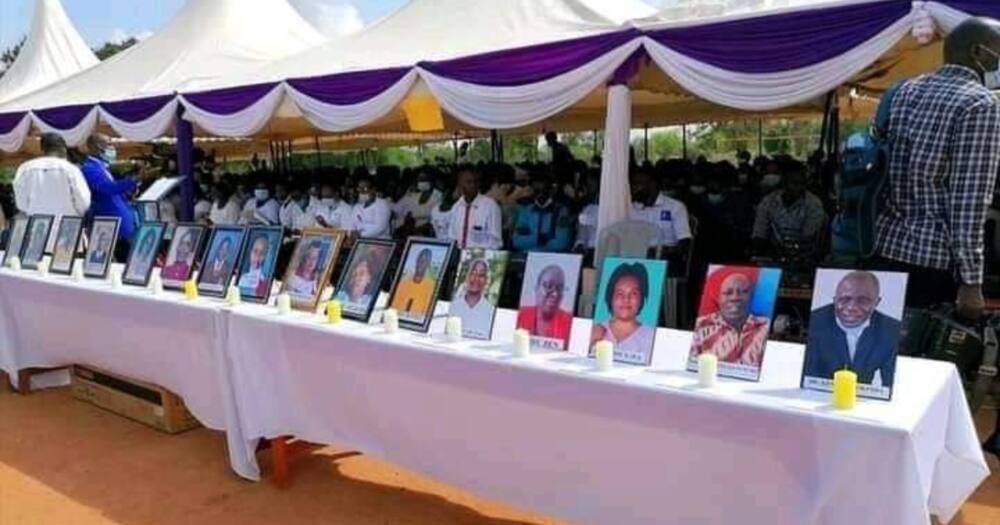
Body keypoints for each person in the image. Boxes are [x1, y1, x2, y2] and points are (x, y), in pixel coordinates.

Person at [874, 17, 1000, 321]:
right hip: (933, 260)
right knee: (932, 362)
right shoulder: (979, 104)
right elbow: (969, 200)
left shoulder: (903, 92)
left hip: (884, 248)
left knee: (885, 356)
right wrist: (972, 281)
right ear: (977, 53)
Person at [803, 271, 900, 387]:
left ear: (877, 302)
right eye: (844, 299)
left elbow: (889, 384)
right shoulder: (815, 323)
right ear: (834, 299)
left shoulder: (891, 330)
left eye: (863, 301)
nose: (851, 307)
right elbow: (808, 378)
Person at [13, 133, 91, 251]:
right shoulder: (70, 169)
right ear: (64, 149)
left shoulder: (24, 169)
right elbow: (84, 202)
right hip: (68, 233)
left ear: (42, 149)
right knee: (68, 268)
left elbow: (21, 205)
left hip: (37, 235)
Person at [691, 268, 770, 366]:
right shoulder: (700, 326)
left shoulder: (766, 327)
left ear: (751, 296)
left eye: (743, 292)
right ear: (719, 298)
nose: (735, 298)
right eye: (728, 293)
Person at [81, 134, 138, 259]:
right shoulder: (89, 168)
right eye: (109, 144)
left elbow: (117, 193)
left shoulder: (103, 167)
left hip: (123, 227)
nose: (112, 148)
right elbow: (108, 189)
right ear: (97, 146)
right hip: (111, 229)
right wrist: (134, 180)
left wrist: (131, 187)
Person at [590, 262, 657, 363]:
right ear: (610, 296)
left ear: (642, 298)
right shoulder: (595, 331)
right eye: (620, 293)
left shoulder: (652, 337)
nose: (626, 299)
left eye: (634, 293)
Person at [751, 168, 827, 255]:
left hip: (804, 255)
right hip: (771, 253)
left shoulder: (814, 204)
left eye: (802, 184)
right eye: (795, 183)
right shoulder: (768, 202)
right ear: (784, 184)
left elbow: (810, 238)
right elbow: (759, 233)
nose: (799, 188)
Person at [630, 168, 692, 254]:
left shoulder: (675, 207)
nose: (633, 188)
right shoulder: (631, 208)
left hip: (665, 257)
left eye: (638, 184)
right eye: (633, 184)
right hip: (635, 255)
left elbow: (684, 243)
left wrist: (658, 251)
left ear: (652, 184)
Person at [511, 173, 574, 252]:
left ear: (552, 190)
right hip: (528, 257)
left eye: (544, 190)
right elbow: (517, 241)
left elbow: (561, 243)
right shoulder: (525, 211)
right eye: (536, 191)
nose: (540, 195)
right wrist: (539, 239)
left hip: (552, 259)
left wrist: (531, 239)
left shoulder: (561, 211)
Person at [516, 264, 574, 348]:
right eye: (548, 286)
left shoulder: (570, 323)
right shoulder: (519, 316)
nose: (555, 294)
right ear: (536, 289)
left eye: (560, 288)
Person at [447, 168, 503, 249]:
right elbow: (452, 237)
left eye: (476, 181)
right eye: (468, 182)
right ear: (460, 184)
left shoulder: (491, 207)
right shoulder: (456, 207)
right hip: (458, 254)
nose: (473, 185)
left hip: (480, 257)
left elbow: (496, 242)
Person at [449, 258, 496, 339]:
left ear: (486, 280)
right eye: (473, 273)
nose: (476, 278)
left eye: (481, 275)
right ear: (467, 276)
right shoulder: (454, 306)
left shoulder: (490, 311)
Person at [390, 248, 436, 319]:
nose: (420, 264)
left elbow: (426, 314)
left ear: (428, 264)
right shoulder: (403, 282)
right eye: (419, 260)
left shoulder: (430, 286)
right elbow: (393, 308)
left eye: (424, 261)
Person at [394, 170, 441, 238]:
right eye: (419, 179)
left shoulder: (438, 197)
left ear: (431, 181)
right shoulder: (413, 195)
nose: (420, 182)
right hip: (405, 230)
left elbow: (435, 220)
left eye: (423, 179)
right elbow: (396, 209)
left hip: (424, 233)